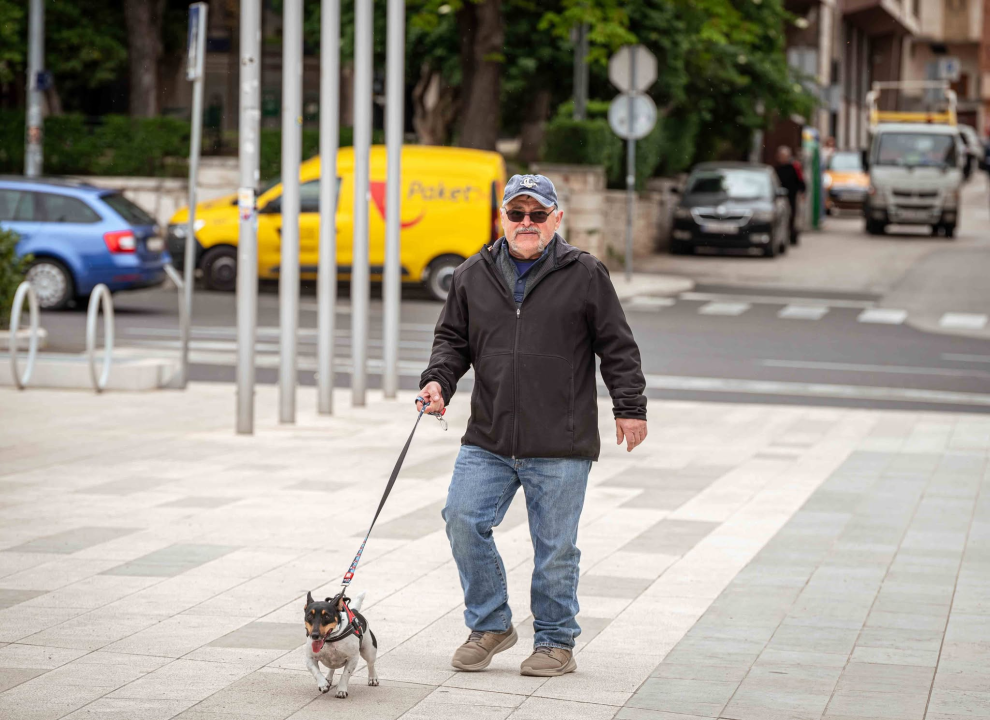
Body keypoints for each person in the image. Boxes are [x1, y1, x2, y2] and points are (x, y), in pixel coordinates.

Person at [417, 174, 648, 677]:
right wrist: (438, 381)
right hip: (490, 436)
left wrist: (629, 407)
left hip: (560, 442)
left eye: (537, 214)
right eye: (516, 214)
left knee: (555, 547)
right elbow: (452, 341)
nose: (526, 223)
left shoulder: (585, 273)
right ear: (502, 218)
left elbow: (617, 346)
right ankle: (491, 624)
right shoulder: (473, 273)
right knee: (461, 519)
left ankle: (555, 642)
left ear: (555, 219)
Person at [774, 145, 806, 243]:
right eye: (780, 156)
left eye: (784, 156)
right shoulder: (777, 168)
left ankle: (792, 236)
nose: (782, 158)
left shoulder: (794, 167)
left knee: (792, 215)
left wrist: (802, 192)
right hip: (780, 196)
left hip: (792, 196)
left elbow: (801, 181)